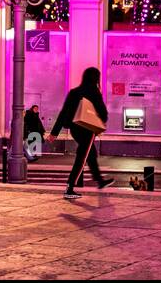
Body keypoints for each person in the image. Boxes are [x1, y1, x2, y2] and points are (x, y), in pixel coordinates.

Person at [47, 67, 115, 199]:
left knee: (91, 153)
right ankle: (70, 188)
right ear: (96, 78)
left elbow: (63, 113)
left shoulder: (74, 92)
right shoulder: (94, 92)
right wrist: (102, 121)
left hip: (74, 129)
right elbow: (103, 113)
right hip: (87, 129)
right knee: (82, 157)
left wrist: (54, 133)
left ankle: (99, 181)